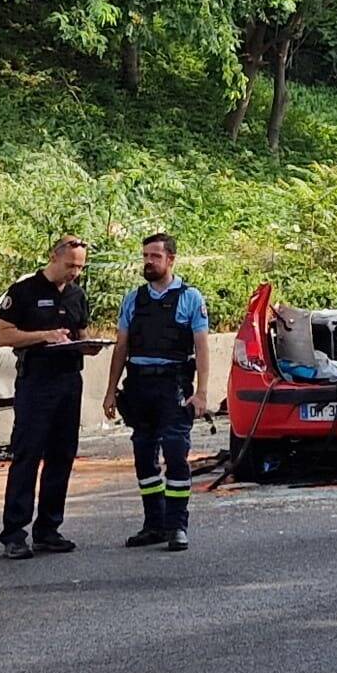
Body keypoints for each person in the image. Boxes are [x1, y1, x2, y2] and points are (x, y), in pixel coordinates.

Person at [103, 233, 210, 552]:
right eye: (145, 256)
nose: (148, 262)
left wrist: (202, 392)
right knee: (143, 457)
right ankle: (154, 524)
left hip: (173, 386)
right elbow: (121, 345)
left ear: (170, 259)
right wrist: (110, 391)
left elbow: (202, 348)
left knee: (176, 454)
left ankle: (177, 526)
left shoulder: (191, 298)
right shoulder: (133, 299)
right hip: (138, 386)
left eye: (155, 256)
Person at [0, 236, 92, 560]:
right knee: (28, 454)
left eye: (80, 267)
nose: (75, 272)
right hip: (36, 381)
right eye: (70, 265)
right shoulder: (24, 291)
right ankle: (14, 533)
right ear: (54, 257)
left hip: (68, 381)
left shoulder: (78, 295)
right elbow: (2, 335)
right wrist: (43, 336)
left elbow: (81, 333)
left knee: (62, 455)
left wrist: (88, 345)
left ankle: (48, 529)